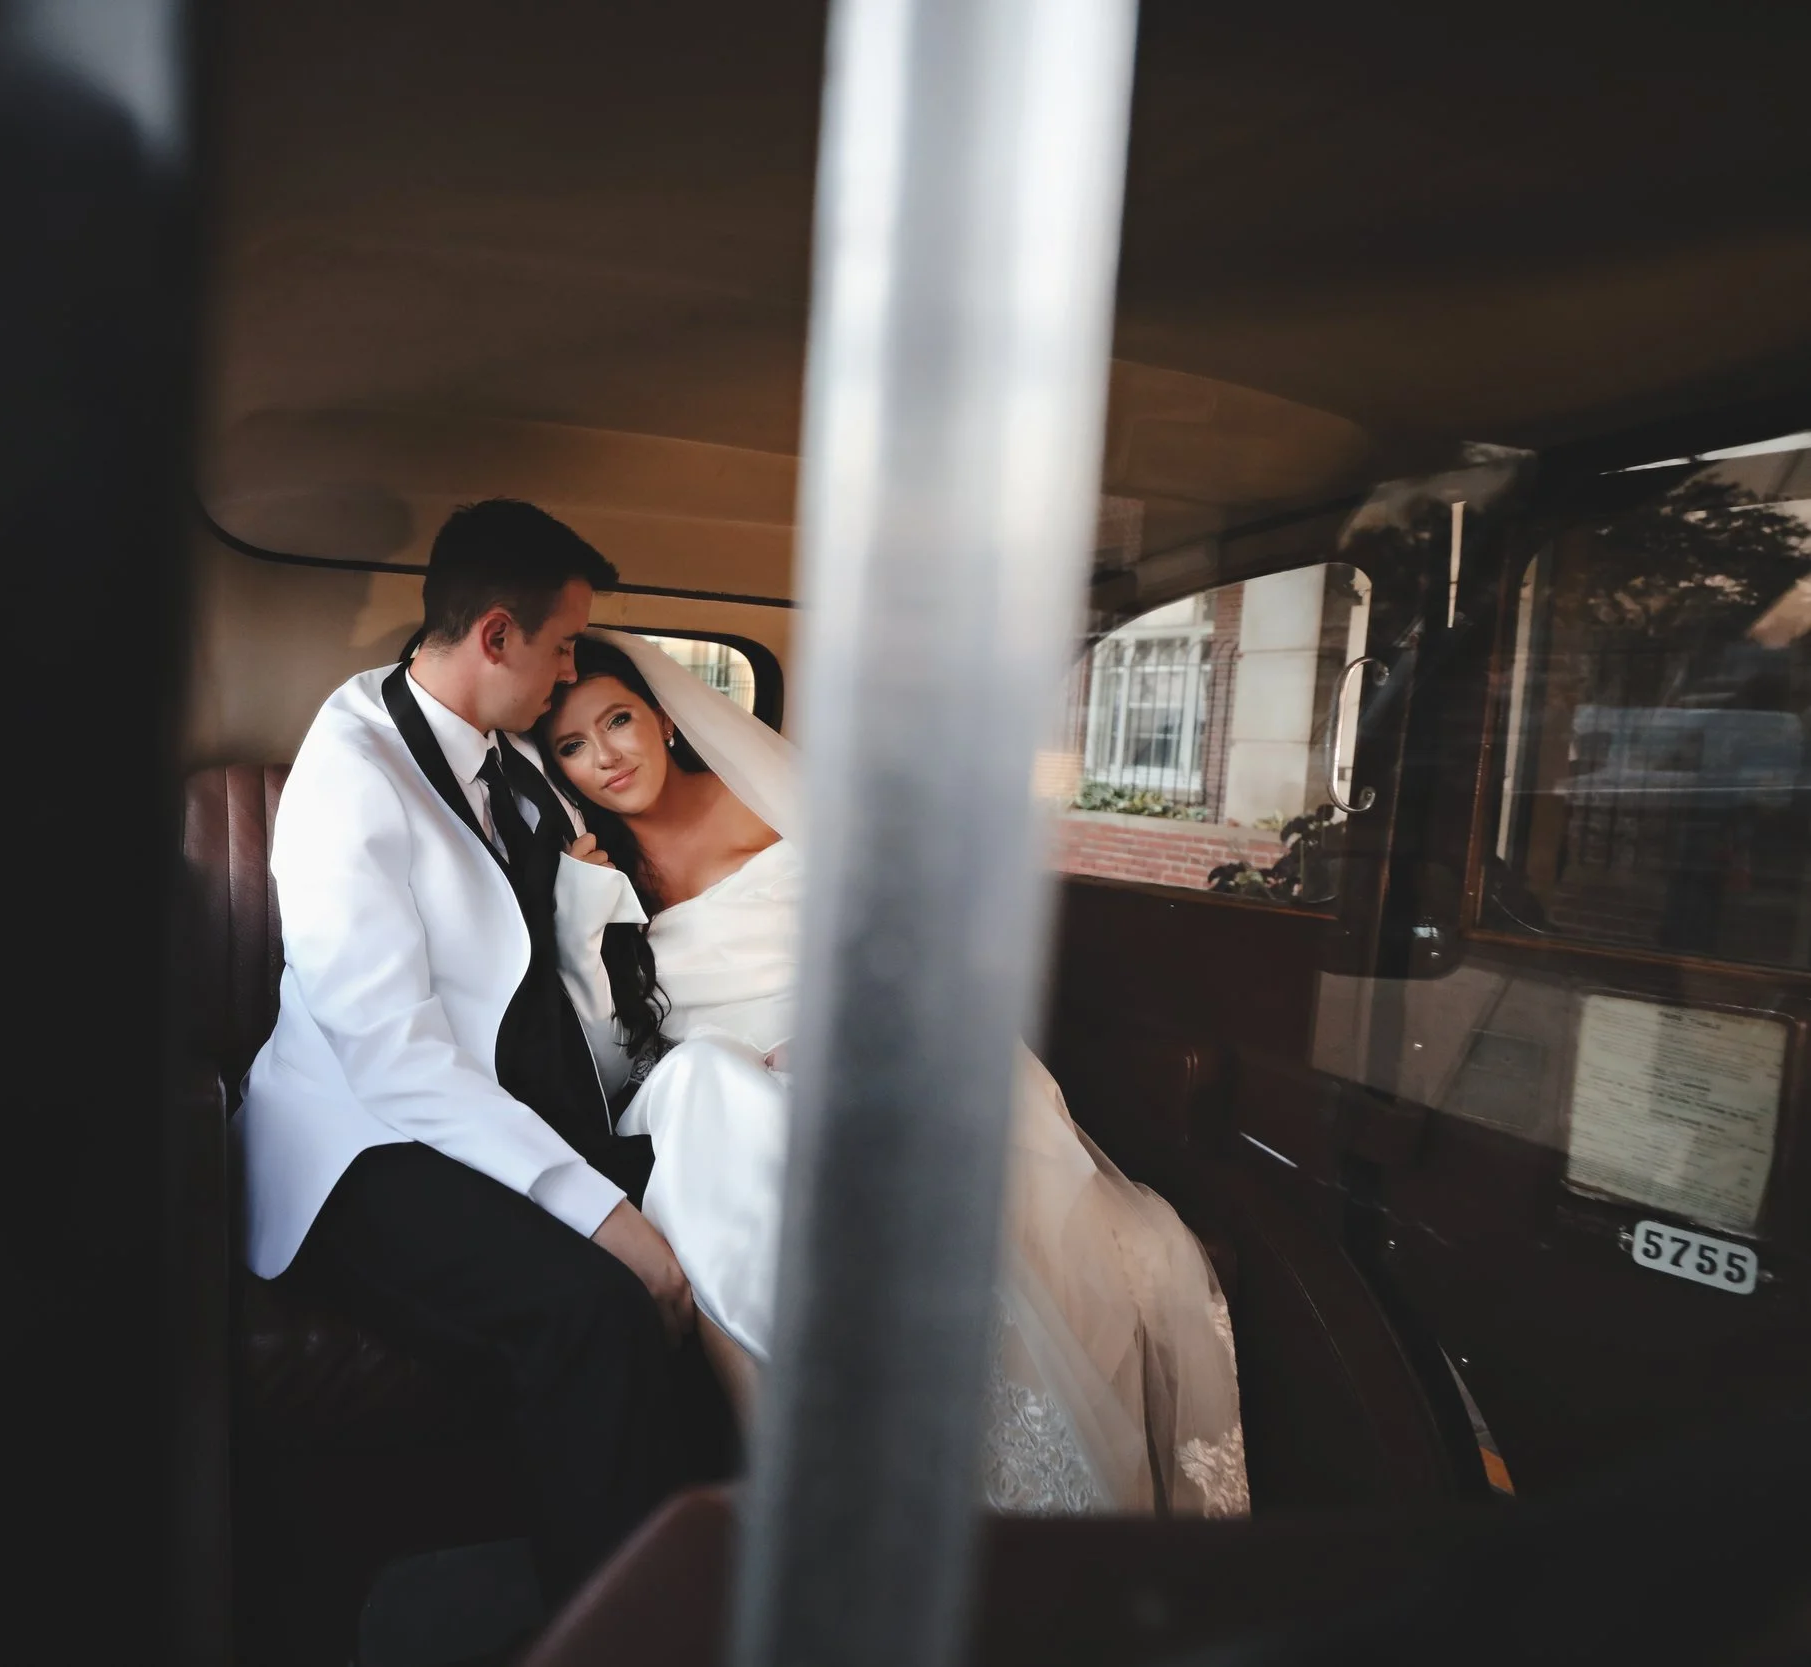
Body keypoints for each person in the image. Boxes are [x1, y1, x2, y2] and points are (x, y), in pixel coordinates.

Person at [537, 632, 1251, 1516]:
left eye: (618, 721)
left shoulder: (783, 805)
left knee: (740, 1113)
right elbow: (611, 1072)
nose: (605, 756)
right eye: (572, 745)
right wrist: (579, 922)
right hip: (714, 1106)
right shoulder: (586, 871)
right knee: (700, 1084)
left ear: (665, 720)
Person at [234, 501, 717, 1602]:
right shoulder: (348, 775)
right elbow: (392, 1053)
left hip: (500, 1116)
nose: (565, 677)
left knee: (726, 1211)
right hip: (366, 1144)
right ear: (495, 636)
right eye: (556, 650)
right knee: (590, 1307)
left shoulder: (509, 759)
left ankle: (722, 1573)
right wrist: (605, 1214)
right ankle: (619, 1630)